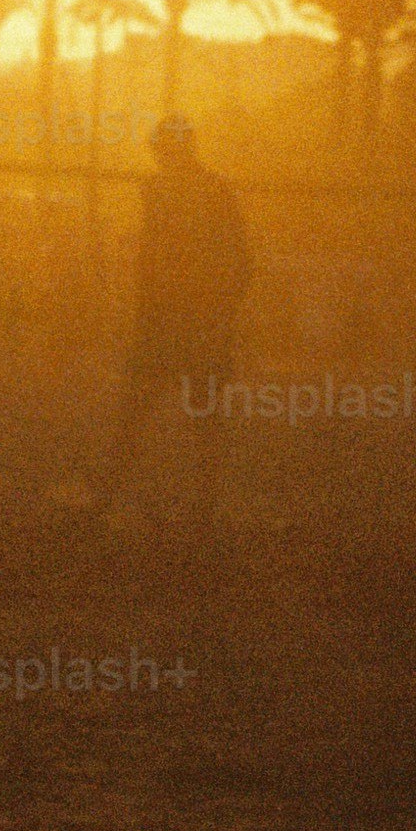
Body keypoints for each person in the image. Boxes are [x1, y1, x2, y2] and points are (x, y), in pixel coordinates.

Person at [90, 117, 253, 542]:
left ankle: (109, 496)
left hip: (170, 322)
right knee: (199, 415)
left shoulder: (165, 192)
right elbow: (238, 262)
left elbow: (165, 259)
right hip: (194, 323)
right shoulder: (208, 192)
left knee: (139, 411)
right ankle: (204, 504)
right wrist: (219, 311)